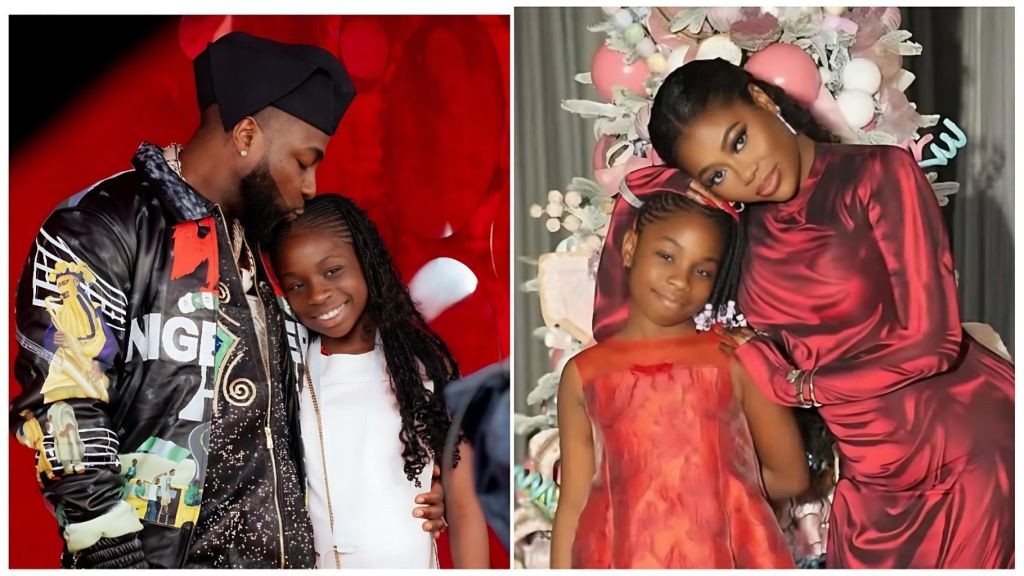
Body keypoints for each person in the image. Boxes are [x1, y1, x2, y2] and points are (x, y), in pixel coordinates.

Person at [10, 31, 445, 569]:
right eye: (304, 160)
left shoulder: (264, 251)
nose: (310, 186)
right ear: (245, 136)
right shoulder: (103, 225)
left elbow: (313, 404)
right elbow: (61, 403)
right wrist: (113, 553)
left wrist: (418, 483)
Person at [648, 57, 1015, 569]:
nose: (746, 172)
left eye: (739, 141)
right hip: (870, 479)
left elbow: (934, 344)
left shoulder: (879, 174)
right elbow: (640, 263)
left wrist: (800, 387)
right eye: (718, 173)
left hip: (965, 453)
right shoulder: (742, 239)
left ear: (762, 101)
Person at [549, 166, 809, 568]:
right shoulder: (583, 374)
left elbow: (790, 477)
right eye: (666, 256)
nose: (679, 280)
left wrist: (719, 498)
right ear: (631, 246)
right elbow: (574, 504)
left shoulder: (735, 357)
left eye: (702, 270)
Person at [269, 194, 491, 568]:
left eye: (332, 270)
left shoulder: (422, 371)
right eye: (296, 285)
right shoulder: (289, 371)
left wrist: (441, 499)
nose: (319, 294)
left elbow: (466, 507)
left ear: (366, 262)